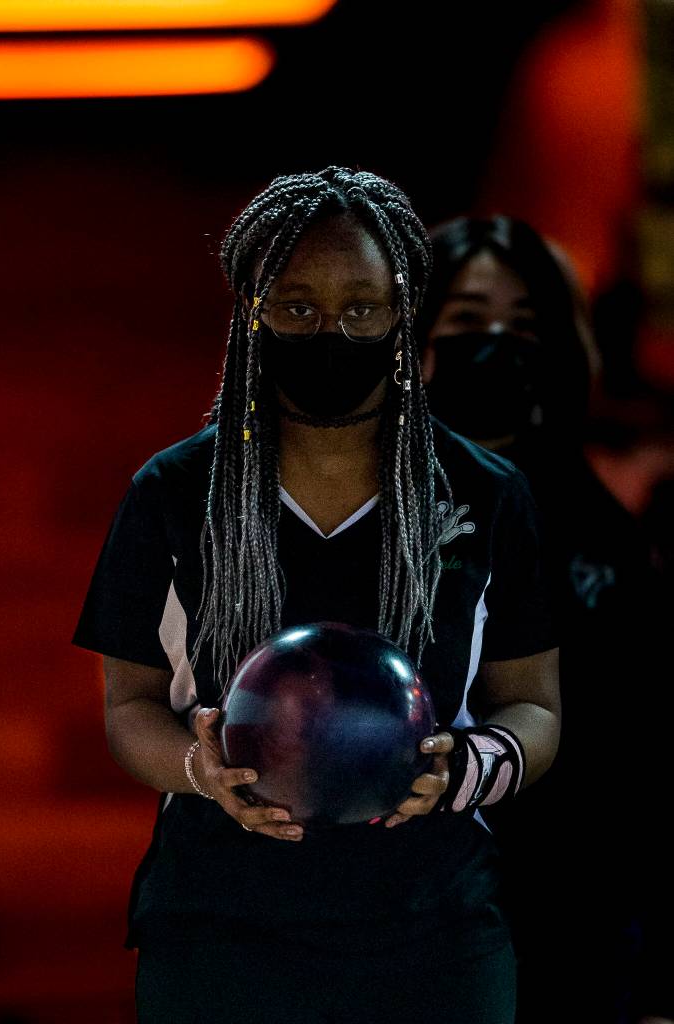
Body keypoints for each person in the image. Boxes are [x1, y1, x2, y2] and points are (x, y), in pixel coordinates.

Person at [72, 168, 560, 1024]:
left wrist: (463, 773)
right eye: (295, 306)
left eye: (362, 308)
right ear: (250, 315)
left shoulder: (485, 495)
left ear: (402, 319)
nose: (332, 330)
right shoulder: (174, 495)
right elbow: (129, 706)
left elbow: (534, 707)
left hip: (434, 934)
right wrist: (203, 770)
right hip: (220, 933)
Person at [417, 214, 671, 1024]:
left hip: (572, 922)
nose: (494, 343)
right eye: (464, 323)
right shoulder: (360, 517)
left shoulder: (599, 531)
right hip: (411, 923)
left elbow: (645, 758)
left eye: (522, 326)